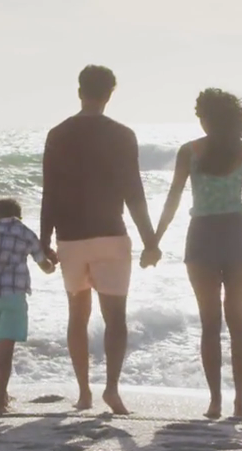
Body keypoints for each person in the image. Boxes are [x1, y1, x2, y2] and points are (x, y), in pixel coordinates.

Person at [39, 65, 162, 415]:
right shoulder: (122, 135)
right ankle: (111, 389)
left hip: (71, 239)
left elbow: (50, 192)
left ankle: (83, 393)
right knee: (115, 319)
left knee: (77, 315)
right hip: (111, 235)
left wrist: (43, 242)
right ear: (109, 94)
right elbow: (133, 190)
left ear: (80, 92)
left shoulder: (58, 134)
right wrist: (150, 241)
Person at [152, 88, 242, 420]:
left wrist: (155, 240)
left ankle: (215, 402)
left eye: (201, 115)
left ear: (208, 118)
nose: (199, 121)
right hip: (238, 236)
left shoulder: (190, 151)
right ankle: (240, 402)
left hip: (202, 236)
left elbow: (173, 198)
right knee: (238, 323)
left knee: (210, 323)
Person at [0, 197, 55, 415]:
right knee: (7, 349)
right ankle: (0, 396)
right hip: (14, 295)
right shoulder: (25, 233)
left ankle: (1, 393)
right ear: (18, 215)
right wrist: (53, 265)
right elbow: (43, 265)